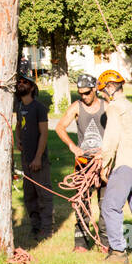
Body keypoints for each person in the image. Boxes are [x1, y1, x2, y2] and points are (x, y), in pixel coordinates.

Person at [92, 69, 132, 264]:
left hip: (127, 163)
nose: (103, 95)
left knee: (110, 206)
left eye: (103, 91)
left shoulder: (115, 107)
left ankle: (118, 253)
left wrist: (104, 163)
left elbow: (111, 137)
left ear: (111, 88)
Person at [55, 72, 107, 253]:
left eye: (87, 93)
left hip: (103, 162)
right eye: (80, 94)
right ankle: (81, 243)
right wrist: (72, 146)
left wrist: (106, 152)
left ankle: (105, 242)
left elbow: (118, 130)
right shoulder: (76, 107)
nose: (84, 97)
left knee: (106, 203)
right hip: (83, 162)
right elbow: (60, 127)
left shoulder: (106, 107)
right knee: (82, 202)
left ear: (95, 90)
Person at [14, 63, 53, 239]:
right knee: (29, 193)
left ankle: (47, 227)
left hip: (38, 159)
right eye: (19, 81)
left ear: (32, 87)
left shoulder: (39, 108)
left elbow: (44, 133)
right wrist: (18, 139)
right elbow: (18, 125)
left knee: (43, 193)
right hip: (25, 157)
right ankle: (35, 226)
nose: (20, 83)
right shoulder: (19, 106)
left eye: (25, 81)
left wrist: (38, 157)